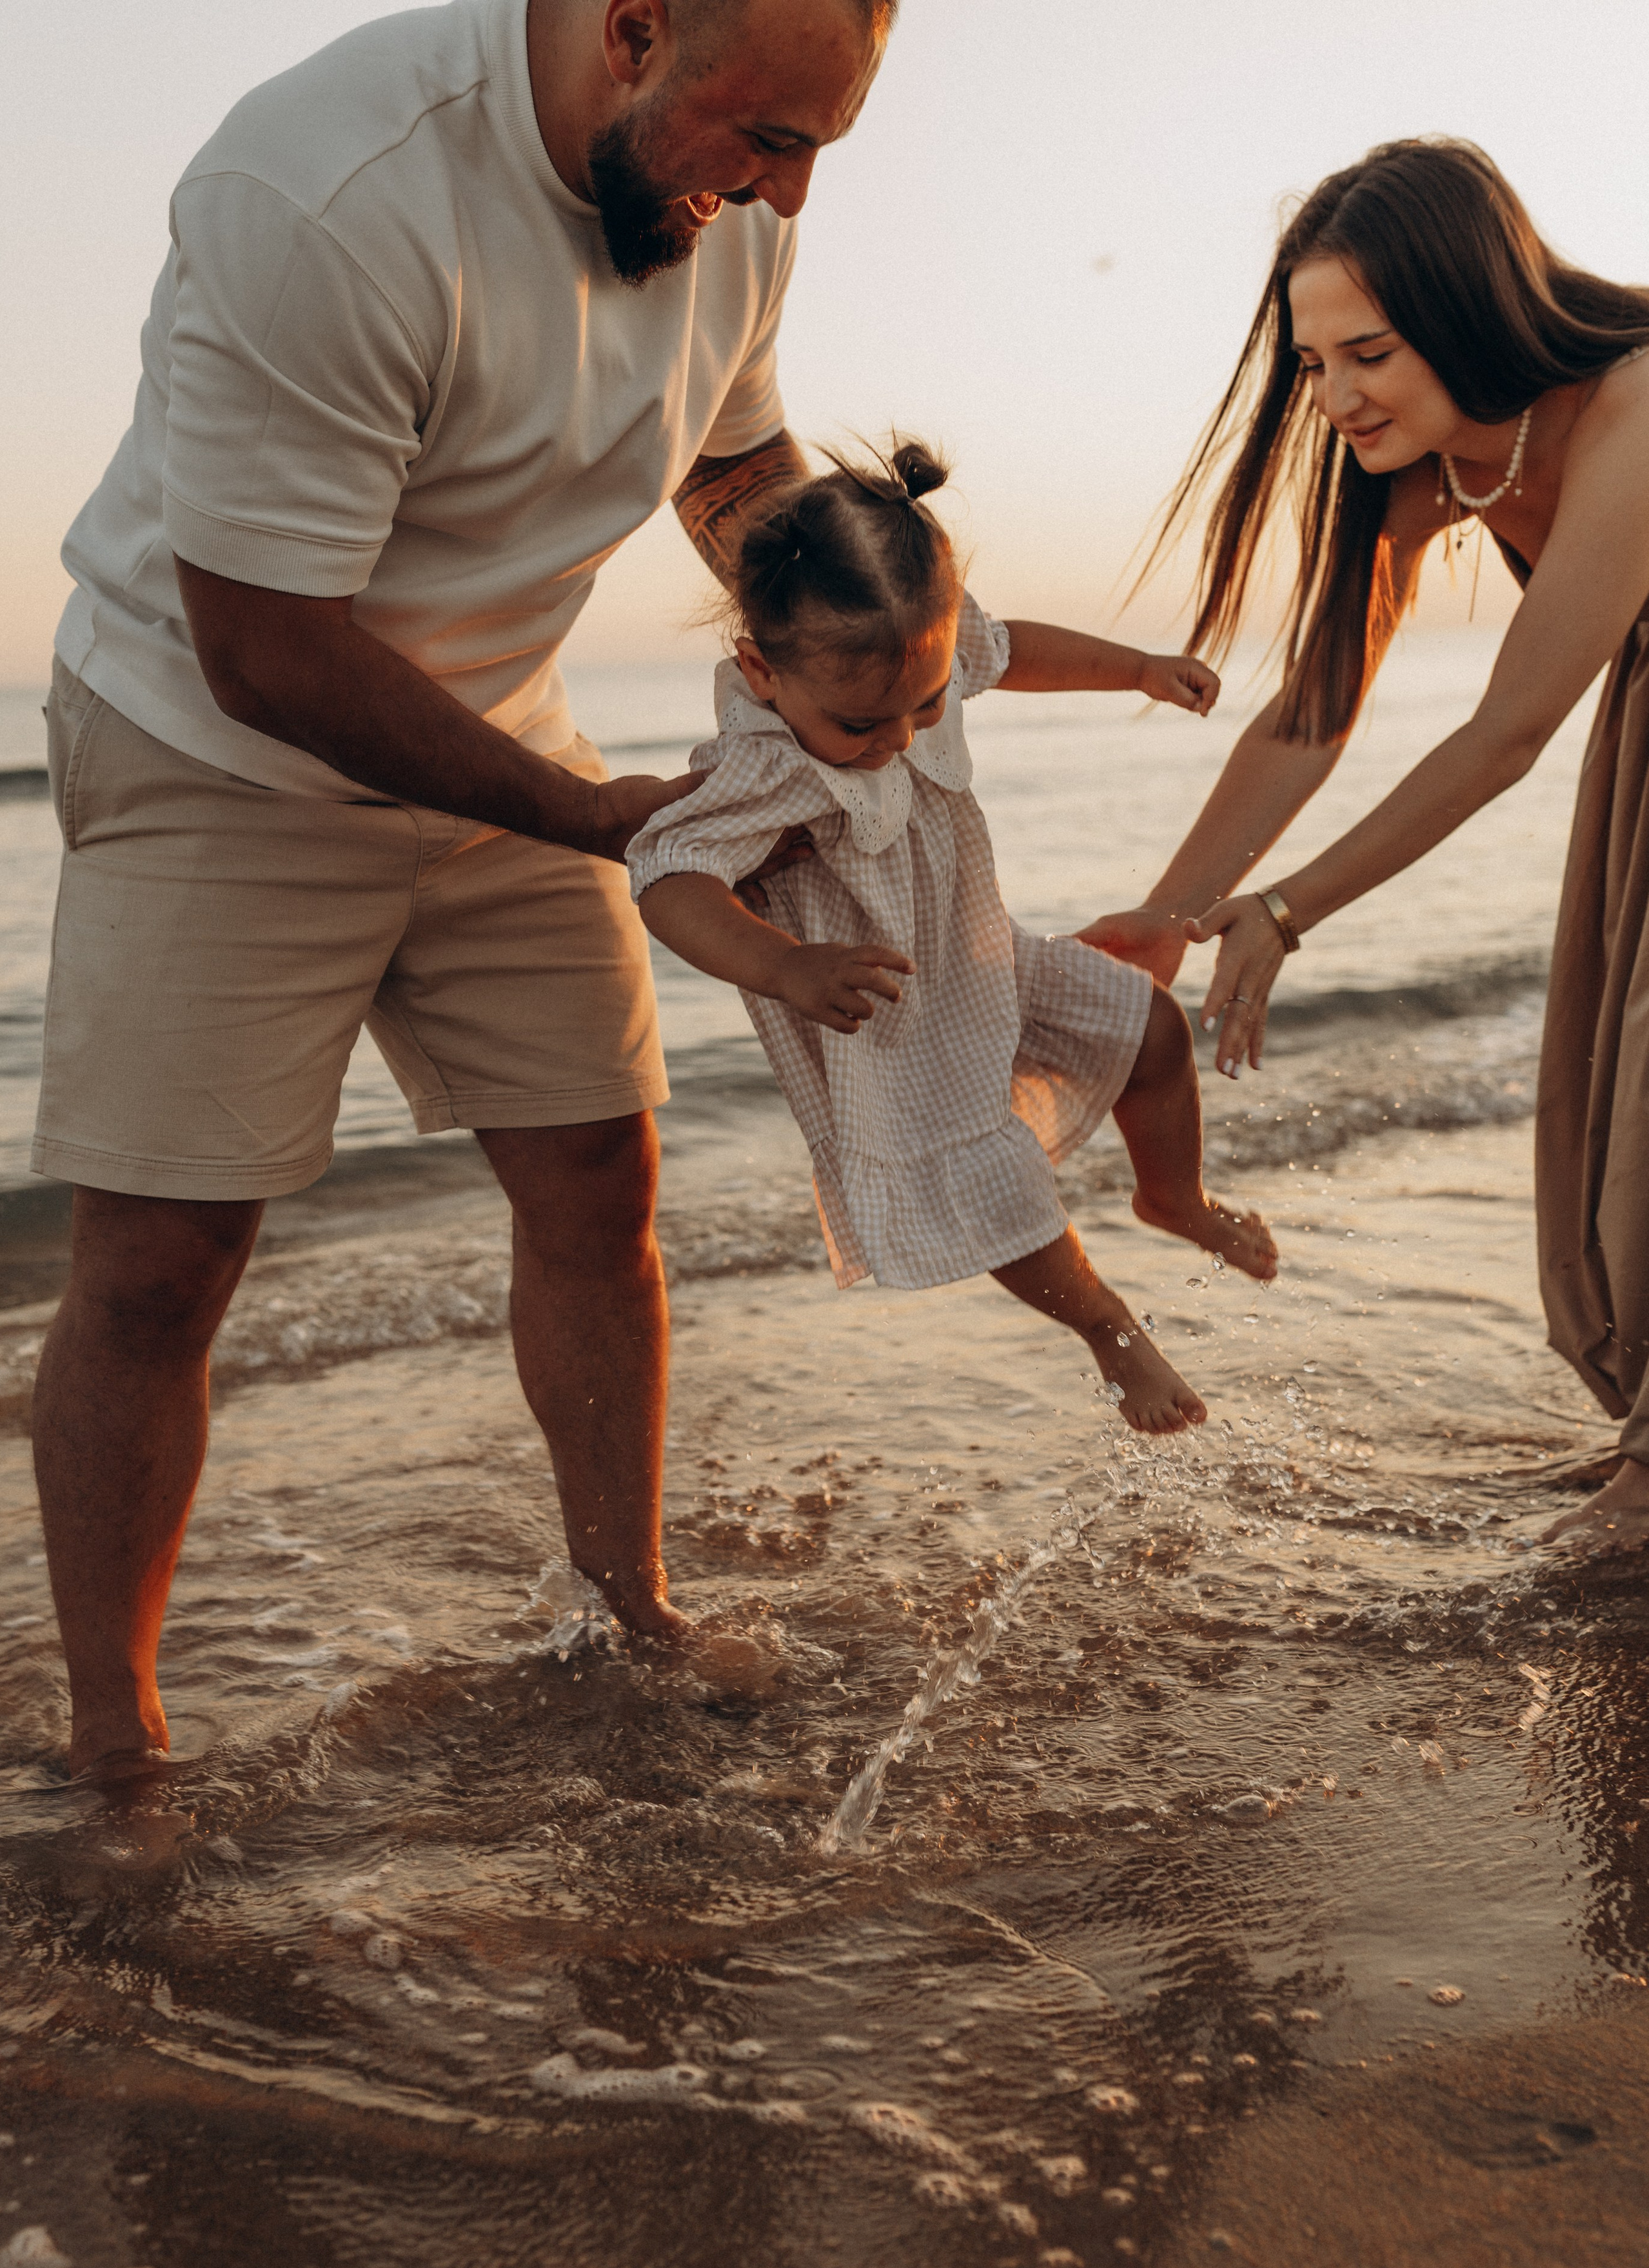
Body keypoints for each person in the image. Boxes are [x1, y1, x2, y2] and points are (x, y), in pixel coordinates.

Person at [34, 0, 896, 1781]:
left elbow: (737, 474)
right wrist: (605, 821)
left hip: (508, 731)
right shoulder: (326, 189)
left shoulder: (721, 208)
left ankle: (628, 1612)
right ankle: (118, 1741)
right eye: (770, 139)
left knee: (599, 1173)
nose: (792, 198)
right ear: (635, 29)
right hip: (221, 745)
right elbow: (266, 647)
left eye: (820, 146)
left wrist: (855, 638)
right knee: (162, 1259)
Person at [1084, 139, 1649, 1550]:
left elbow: (1509, 727)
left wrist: (1287, 912)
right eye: (1310, 363)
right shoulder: (1404, 474)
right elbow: (1311, 715)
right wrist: (1171, 917)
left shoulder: (1636, 410)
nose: (1332, 398)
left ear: (1463, 307)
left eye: (1369, 354)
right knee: (1617, 1104)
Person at [626, 439, 1277, 1432]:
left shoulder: (921, 652)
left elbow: (1009, 649)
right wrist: (784, 965)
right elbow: (670, 878)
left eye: (925, 706)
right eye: (861, 726)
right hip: (890, 1021)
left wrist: (1137, 669)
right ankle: (1109, 1331)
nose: (898, 739)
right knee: (990, 1181)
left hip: (983, 957)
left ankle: (1174, 1199)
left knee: (1147, 1027)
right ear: (761, 672)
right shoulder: (763, 768)